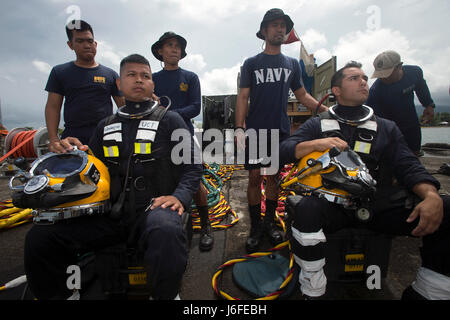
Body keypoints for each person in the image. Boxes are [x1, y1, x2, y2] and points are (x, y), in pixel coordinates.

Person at [24, 54, 203, 300]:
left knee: (166, 229)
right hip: (109, 217)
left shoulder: (172, 120)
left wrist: (179, 197)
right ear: (118, 84)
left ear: (153, 85)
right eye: (131, 75)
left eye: (145, 76)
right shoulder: (104, 126)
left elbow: (193, 166)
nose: (139, 80)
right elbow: (91, 168)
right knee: (41, 237)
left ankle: (166, 295)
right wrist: (71, 152)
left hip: (154, 211)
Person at [280, 61, 450, 299]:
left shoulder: (387, 127)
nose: (363, 81)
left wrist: (431, 195)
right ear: (336, 91)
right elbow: (283, 150)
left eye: (364, 78)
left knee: (446, 207)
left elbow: (408, 166)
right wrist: (315, 144)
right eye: (354, 78)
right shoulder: (316, 124)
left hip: (377, 205)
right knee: (305, 208)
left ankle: (430, 290)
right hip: (333, 205)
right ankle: (313, 288)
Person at [235, 8, 327, 253]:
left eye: (283, 26)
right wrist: (238, 128)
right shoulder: (252, 63)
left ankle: (270, 223)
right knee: (255, 178)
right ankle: (256, 227)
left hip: (280, 131)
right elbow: (243, 96)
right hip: (255, 130)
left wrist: (325, 110)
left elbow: (303, 95)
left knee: (273, 177)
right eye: (274, 25)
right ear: (264, 31)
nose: (280, 29)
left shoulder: (292, 64)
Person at [151, 32, 213, 251]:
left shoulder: (190, 77)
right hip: (157, 139)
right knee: (161, 181)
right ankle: (170, 226)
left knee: (195, 182)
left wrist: (169, 115)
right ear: (160, 50)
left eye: (177, 46)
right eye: (169, 45)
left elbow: (195, 107)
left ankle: (206, 226)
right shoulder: (152, 79)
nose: (174, 49)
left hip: (183, 135)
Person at [45, 20, 124, 152]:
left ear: (96, 44)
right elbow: (53, 107)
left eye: (90, 41)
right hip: (73, 139)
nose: (87, 45)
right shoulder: (59, 72)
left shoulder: (111, 74)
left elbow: (124, 107)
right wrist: (53, 139)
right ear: (70, 45)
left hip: (107, 137)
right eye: (80, 41)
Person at [367, 50, 436, 156]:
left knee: (414, 153)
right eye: (380, 75)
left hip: (411, 121)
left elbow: (421, 88)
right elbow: (372, 120)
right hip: (388, 124)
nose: (383, 78)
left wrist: (429, 105)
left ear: (399, 67)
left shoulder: (414, 73)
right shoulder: (375, 92)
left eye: (387, 74)